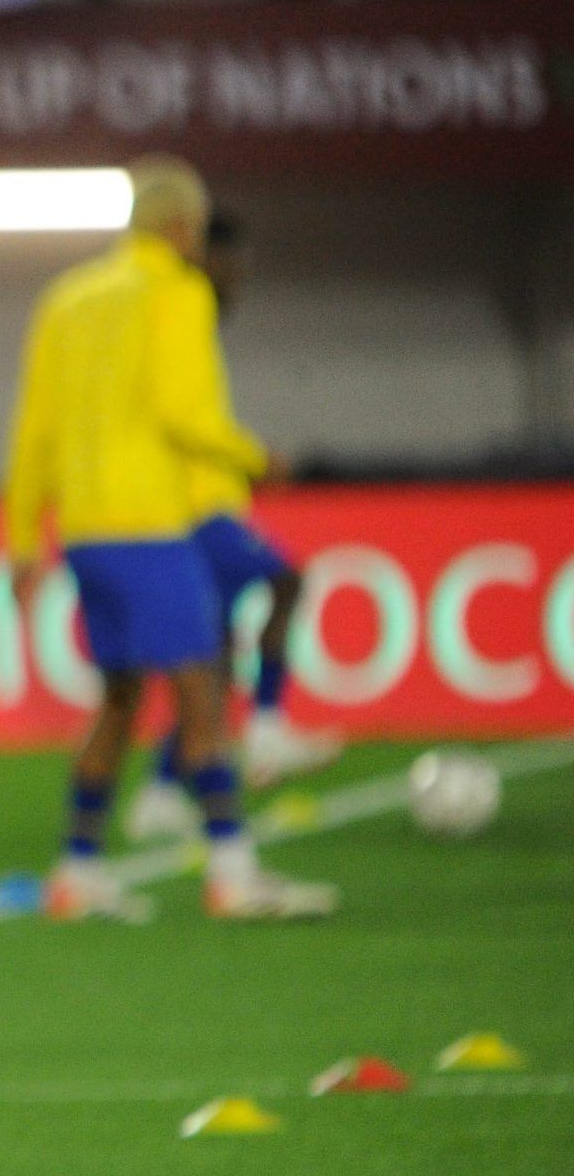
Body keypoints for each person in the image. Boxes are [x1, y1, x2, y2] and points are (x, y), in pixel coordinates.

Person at [0, 156, 335, 924]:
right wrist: (257, 457)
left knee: (118, 699)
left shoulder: (65, 297)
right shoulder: (179, 292)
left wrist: (21, 538)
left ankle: (78, 869)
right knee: (200, 690)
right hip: (149, 525)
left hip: (84, 529)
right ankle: (233, 871)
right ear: (184, 229)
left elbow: (33, 429)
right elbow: (185, 412)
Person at [126, 212, 340, 841]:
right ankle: (267, 729)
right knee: (285, 581)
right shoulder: (184, 305)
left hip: (194, 503)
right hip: (195, 507)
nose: (241, 277)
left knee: (212, 662)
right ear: (207, 258)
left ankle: (162, 793)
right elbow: (184, 418)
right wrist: (254, 457)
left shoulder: (181, 313)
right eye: (234, 263)